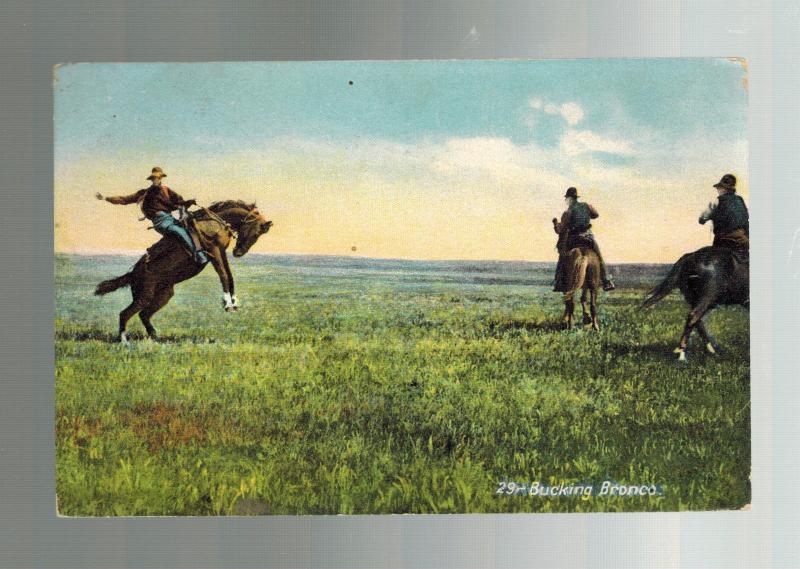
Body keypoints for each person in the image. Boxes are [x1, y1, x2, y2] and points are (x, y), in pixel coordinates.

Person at [96, 167, 208, 264]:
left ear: (161, 178)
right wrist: (106, 198)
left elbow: (180, 201)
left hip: (170, 218)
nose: (156, 180)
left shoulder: (167, 190)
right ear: (151, 179)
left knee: (191, 228)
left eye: (157, 178)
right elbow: (124, 199)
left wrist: (189, 202)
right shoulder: (144, 193)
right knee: (180, 232)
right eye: (154, 178)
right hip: (160, 222)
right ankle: (199, 255)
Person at [552, 187, 615, 292]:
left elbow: (560, 230)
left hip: (574, 240)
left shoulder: (567, 212)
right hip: (588, 238)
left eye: (567, 198)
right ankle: (606, 281)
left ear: (569, 199)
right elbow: (596, 214)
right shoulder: (587, 206)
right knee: (599, 256)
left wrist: (555, 224)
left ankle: (559, 283)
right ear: (576, 197)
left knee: (563, 257)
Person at [699, 173, 749, 256]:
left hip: (723, 241)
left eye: (719, 187)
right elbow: (746, 220)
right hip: (742, 241)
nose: (718, 190)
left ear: (724, 189)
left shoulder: (716, 201)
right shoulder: (740, 200)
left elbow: (702, 219)